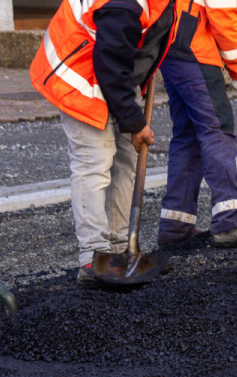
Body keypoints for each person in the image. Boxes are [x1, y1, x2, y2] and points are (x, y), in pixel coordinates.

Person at [30, 0, 177, 287]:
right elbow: (109, 65)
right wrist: (135, 123)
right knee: (93, 162)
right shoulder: (123, 5)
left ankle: (121, 249)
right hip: (78, 77)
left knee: (126, 161)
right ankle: (93, 256)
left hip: (109, 75)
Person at [157, 0, 237, 248]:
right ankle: (230, 221)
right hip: (195, 48)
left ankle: (175, 225)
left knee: (187, 136)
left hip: (170, 47)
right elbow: (223, 16)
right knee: (217, 131)